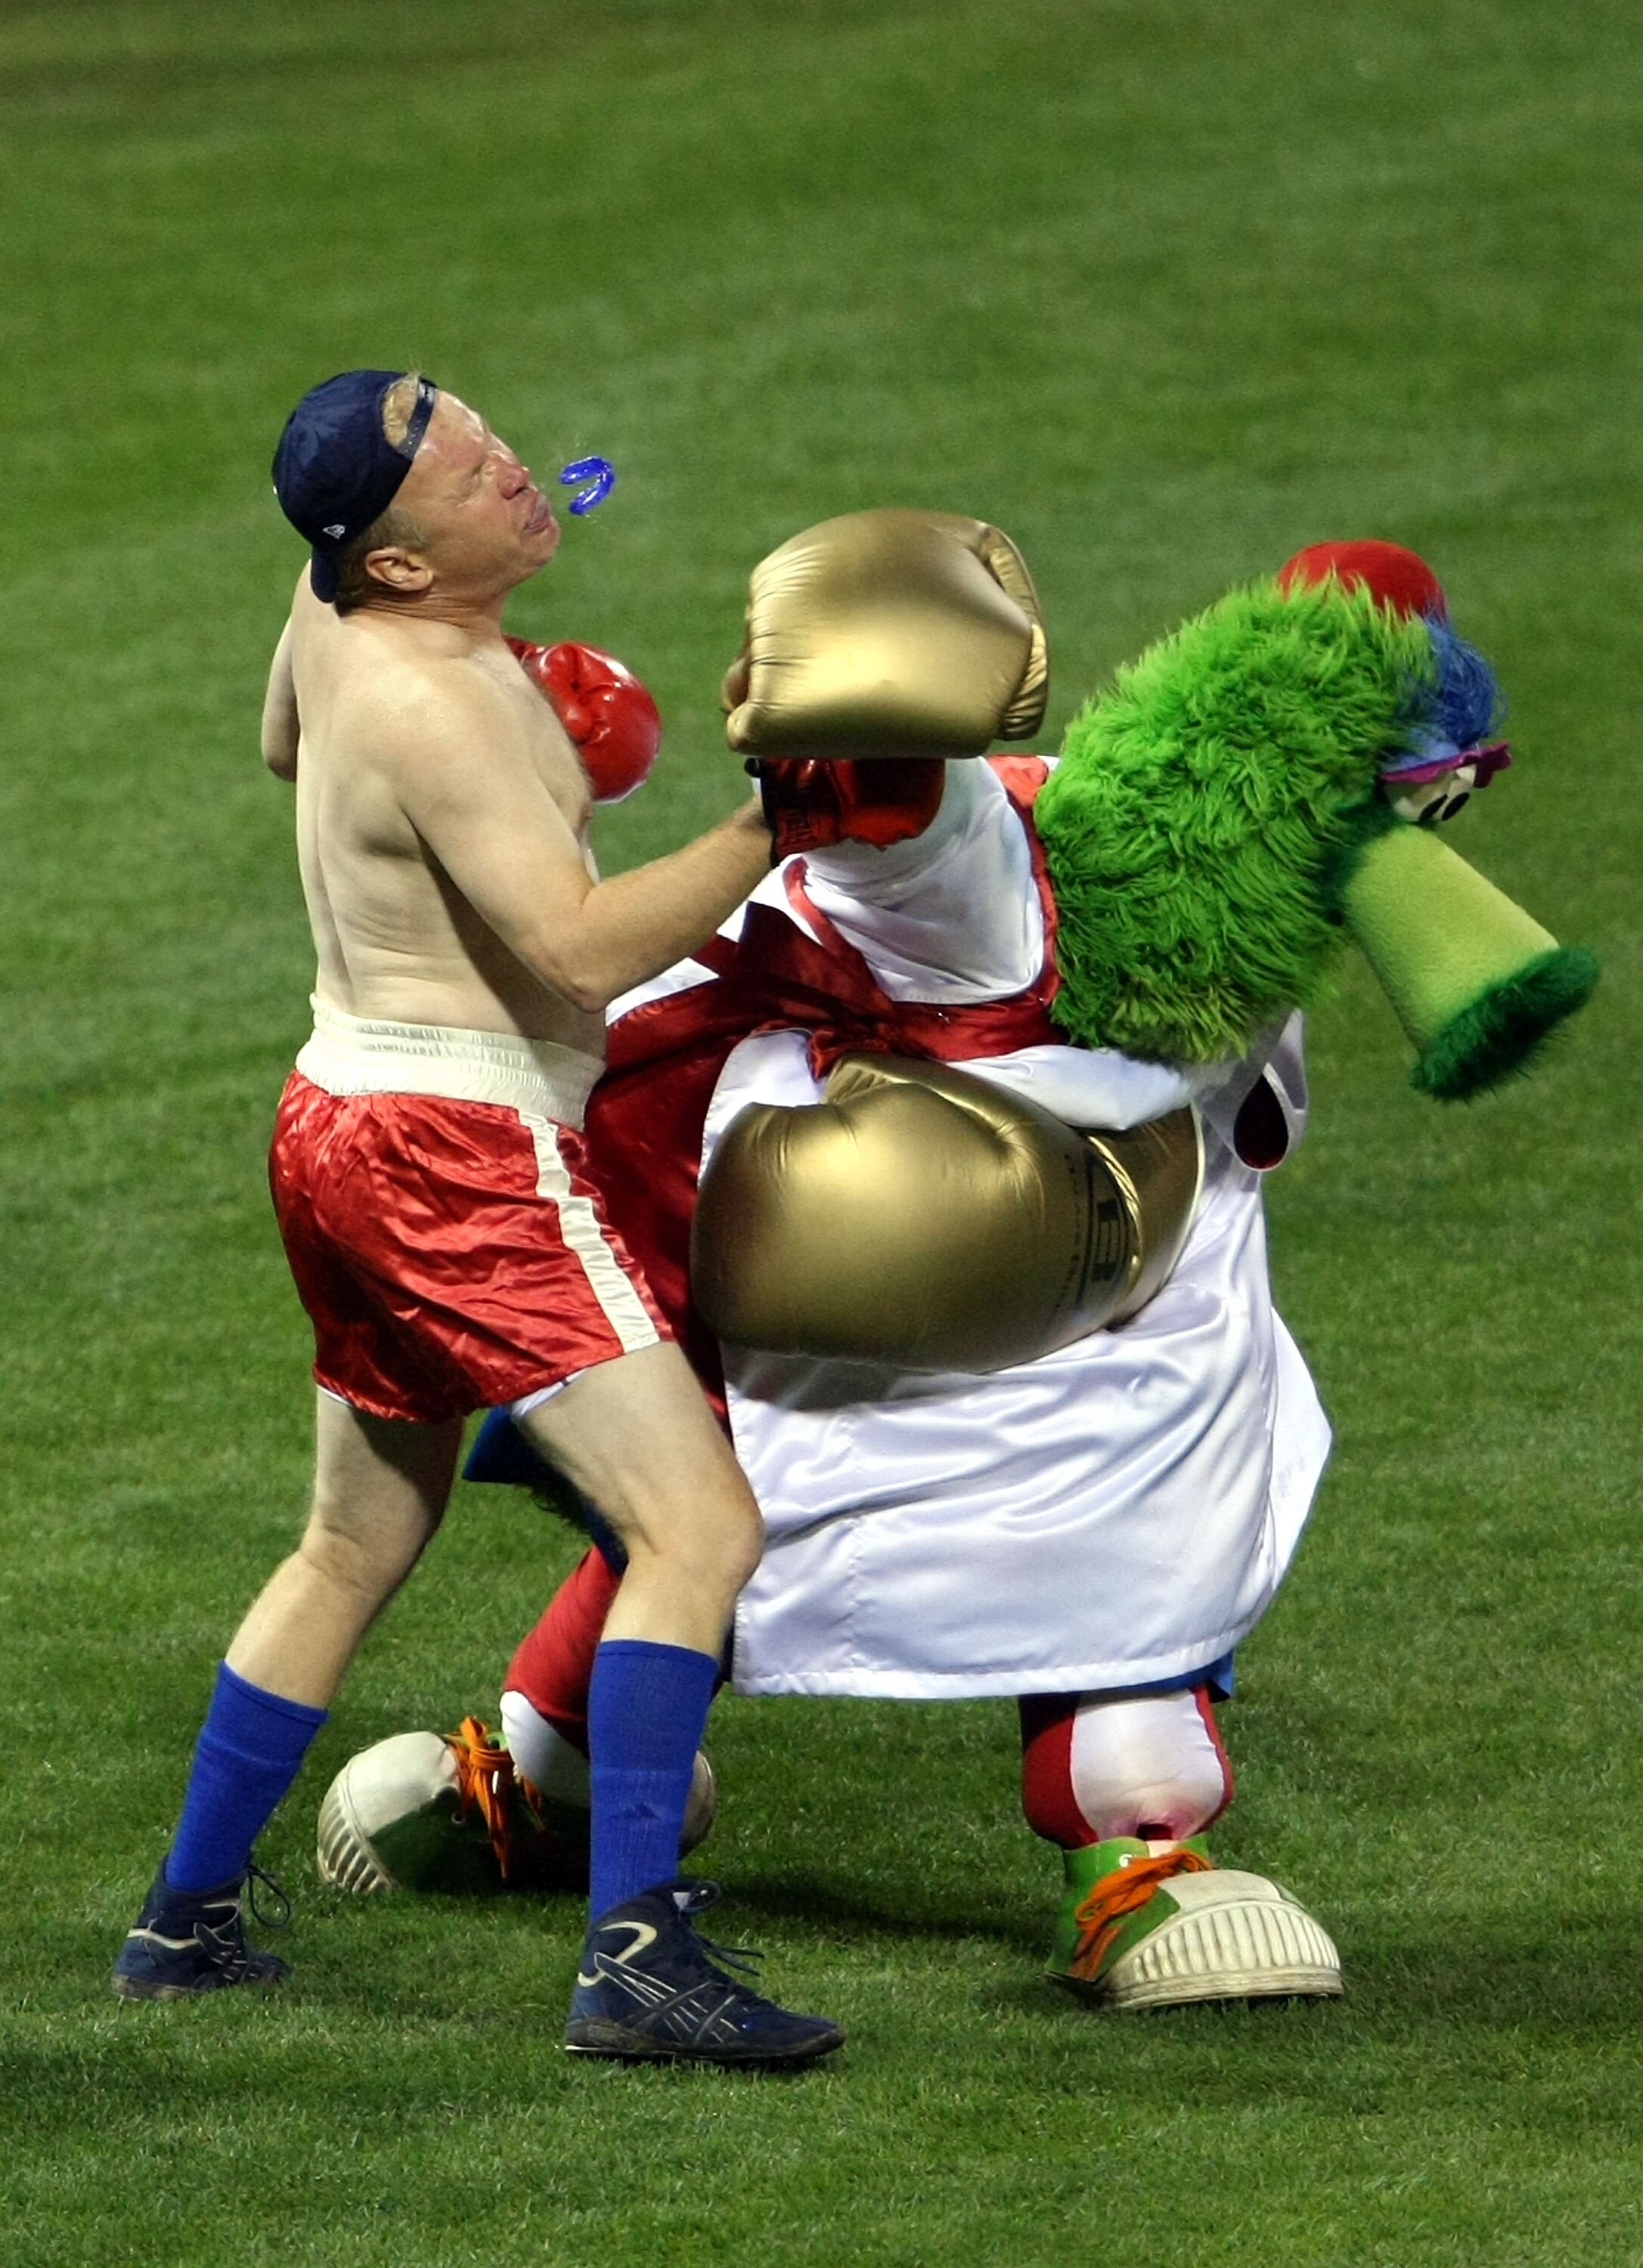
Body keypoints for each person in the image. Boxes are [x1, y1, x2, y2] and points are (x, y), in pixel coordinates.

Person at [111, 367, 843, 2066]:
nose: (507, 463)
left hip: (333, 1111)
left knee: (352, 1542)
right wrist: (768, 819)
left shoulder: (328, 607)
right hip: (460, 1150)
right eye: (458, 467)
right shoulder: (436, 700)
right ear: (396, 564)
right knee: (698, 1532)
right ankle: (636, 1960)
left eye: (475, 426)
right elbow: (577, 950)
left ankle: (183, 1919)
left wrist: (524, 733)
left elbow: (285, 741)